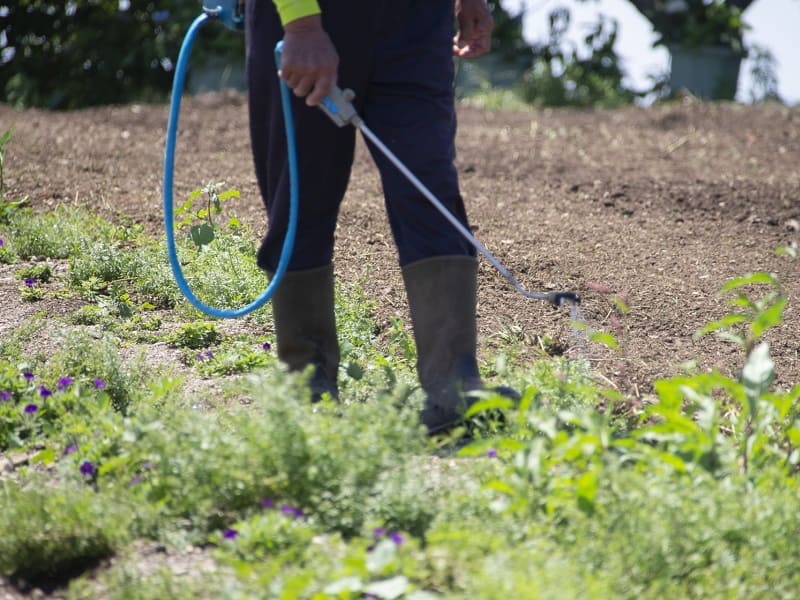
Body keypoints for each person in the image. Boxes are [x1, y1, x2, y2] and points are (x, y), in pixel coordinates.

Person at [245, 0, 500, 434]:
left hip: (417, 21)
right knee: (302, 194)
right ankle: (309, 393)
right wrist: (302, 24)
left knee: (430, 187)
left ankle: (453, 389)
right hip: (313, 17)